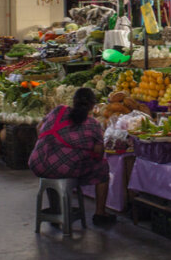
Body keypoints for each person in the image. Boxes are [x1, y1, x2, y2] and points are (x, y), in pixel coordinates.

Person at [29, 88, 115, 226]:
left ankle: (55, 209)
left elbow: (39, 127)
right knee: (102, 167)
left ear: (74, 101)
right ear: (92, 106)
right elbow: (99, 153)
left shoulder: (58, 110)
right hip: (64, 169)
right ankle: (100, 213)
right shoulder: (93, 124)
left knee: (53, 165)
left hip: (37, 162)